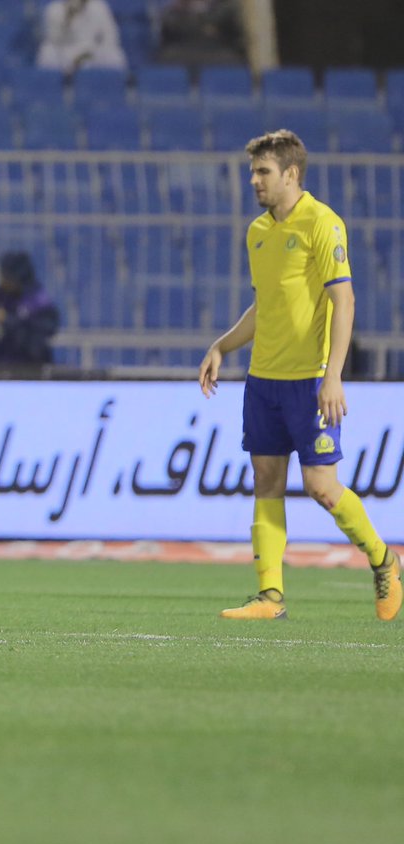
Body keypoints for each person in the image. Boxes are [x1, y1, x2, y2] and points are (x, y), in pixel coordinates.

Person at [198, 129, 400, 621]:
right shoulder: (257, 232)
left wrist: (333, 376)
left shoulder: (323, 223)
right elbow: (264, 306)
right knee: (266, 480)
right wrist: (222, 346)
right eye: (252, 172)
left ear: (291, 174)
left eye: (263, 172)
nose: (254, 181)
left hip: (309, 382)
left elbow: (344, 300)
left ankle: (384, 560)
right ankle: (271, 596)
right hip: (262, 380)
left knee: (321, 487)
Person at [0, 250, 60, 366]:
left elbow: (38, 338)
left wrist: (6, 319)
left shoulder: (38, 300)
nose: (1, 280)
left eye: (5, 275)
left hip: (29, 370)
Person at [35, 0, 127, 73]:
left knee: (115, 55)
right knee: (47, 52)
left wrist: (90, 52)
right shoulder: (54, 9)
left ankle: (117, 87)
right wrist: (68, 18)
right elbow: (54, 40)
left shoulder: (99, 7)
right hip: (67, 52)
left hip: (92, 53)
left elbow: (111, 36)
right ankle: (52, 87)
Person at [156, 0, 246, 67]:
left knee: (232, 62)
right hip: (182, 52)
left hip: (218, 53)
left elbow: (227, 30)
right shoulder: (174, 10)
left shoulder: (228, 6)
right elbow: (170, 29)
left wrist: (199, 13)